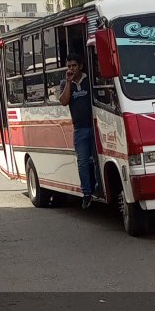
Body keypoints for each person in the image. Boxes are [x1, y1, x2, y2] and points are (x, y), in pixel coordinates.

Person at [59, 53, 98, 210]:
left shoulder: (90, 80)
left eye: (74, 66)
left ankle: (98, 188)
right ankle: (87, 194)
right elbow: (63, 101)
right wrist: (69, 82)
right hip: (80, 129)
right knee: (82, 162)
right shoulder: (65, 83)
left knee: (96, 160)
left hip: (95, 127)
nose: (71, 69)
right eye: (68, 66)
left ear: (81, 66)